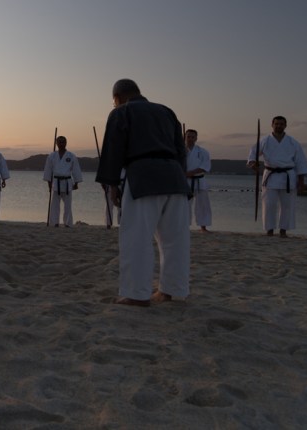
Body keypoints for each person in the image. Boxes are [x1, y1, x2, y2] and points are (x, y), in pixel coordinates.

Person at [95, 79, 190, 307]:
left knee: (136, 238)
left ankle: (136, 294)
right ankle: (172, 290)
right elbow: (180, 150)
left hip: (144, 176)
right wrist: (181, 178)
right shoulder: (167, 112)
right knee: (175, 239)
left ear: (117, 97)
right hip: (175, 179)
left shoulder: (121, 112)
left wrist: (112, 184)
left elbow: (113, 148)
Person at [247, 116, 307, 238]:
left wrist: (301, 181)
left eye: (281, 124)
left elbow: (301, 162)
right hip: (270, 176)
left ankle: (283, 231)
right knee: (269, 204)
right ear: (272, 124)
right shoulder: (265, 141)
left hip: (288, 176)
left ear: (285, 126)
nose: (279, 126)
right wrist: (253, 163)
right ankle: (269, 230)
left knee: (287, 205)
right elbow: (253, 154)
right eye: (276, 124)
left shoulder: (293, 142)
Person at [43, 135, 83, 228]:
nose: (61, 143)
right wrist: (49, 184)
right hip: (56, 182)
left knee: (68, 205)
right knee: (55, 204)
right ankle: (54, 222)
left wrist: (76, 182)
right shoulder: (52, 156)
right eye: (60, 142)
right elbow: (48, 170)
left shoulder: (71, 156)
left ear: (66, 143)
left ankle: (68, 223)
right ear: (56, 143)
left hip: (67, 182)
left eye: (63, 142)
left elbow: (75, 169)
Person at [184, 129, 212, 233]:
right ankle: (184, 226)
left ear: (196, 138)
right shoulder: (180, 151)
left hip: (199, 180)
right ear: (185, 137)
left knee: (203, 204)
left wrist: (190, 173)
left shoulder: (203, 151)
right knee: (184, 205)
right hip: (185, 181)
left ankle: (203, 226)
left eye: (192, 137)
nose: (190, 139)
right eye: (188, 136)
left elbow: (205, 167)